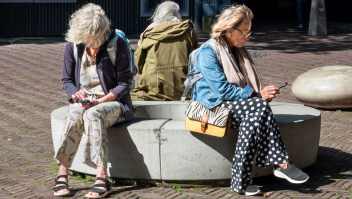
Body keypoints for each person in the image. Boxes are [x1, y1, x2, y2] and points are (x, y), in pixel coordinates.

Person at [190, 5, 309, 196]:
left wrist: (257, 95)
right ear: (230, 30)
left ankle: (243, 180)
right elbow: (222, 90)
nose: (248, 37)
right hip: (212, 108)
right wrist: (256, 95)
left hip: (236, 106)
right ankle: (280, 164)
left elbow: (243, 90)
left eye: (249, 32)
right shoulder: (208, 52)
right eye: (245, 32)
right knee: (259, 105)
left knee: (257, 109)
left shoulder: (236, 50)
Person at [52, 3, 133, 198]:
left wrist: (104, 99)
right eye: (84, 39)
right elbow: (67, 80)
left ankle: (101, 176)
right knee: (74, 113)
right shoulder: (73, 45)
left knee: (93, 114)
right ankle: (62, 172)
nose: (88, 44)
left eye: (92, 39)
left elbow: (125, 82)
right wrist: (75, 94)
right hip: (85, 100)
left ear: (101, 33)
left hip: (113, 102)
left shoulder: (117, 43)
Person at [131, 1, 198, 101]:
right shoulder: (188, 31)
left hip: (155, 91)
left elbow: (138, 66)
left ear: (158, 15)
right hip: (185, 91)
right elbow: (197, 60)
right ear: (177, 14)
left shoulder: (149, 34)